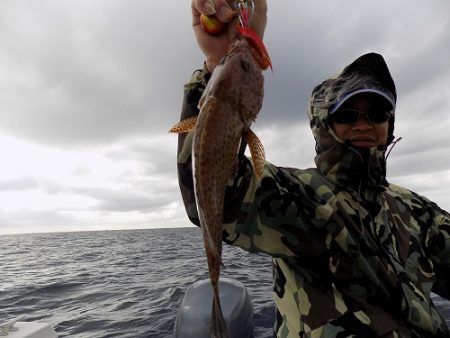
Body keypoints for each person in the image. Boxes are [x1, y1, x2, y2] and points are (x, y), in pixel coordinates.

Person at [176, 0, 450, 336]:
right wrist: (216, 66)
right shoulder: (302, 198)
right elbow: (221, 193)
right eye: (347, 114)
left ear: (389, 125)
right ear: (325, 124)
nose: (363, 124)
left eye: (376, 113)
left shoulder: (419, 213)